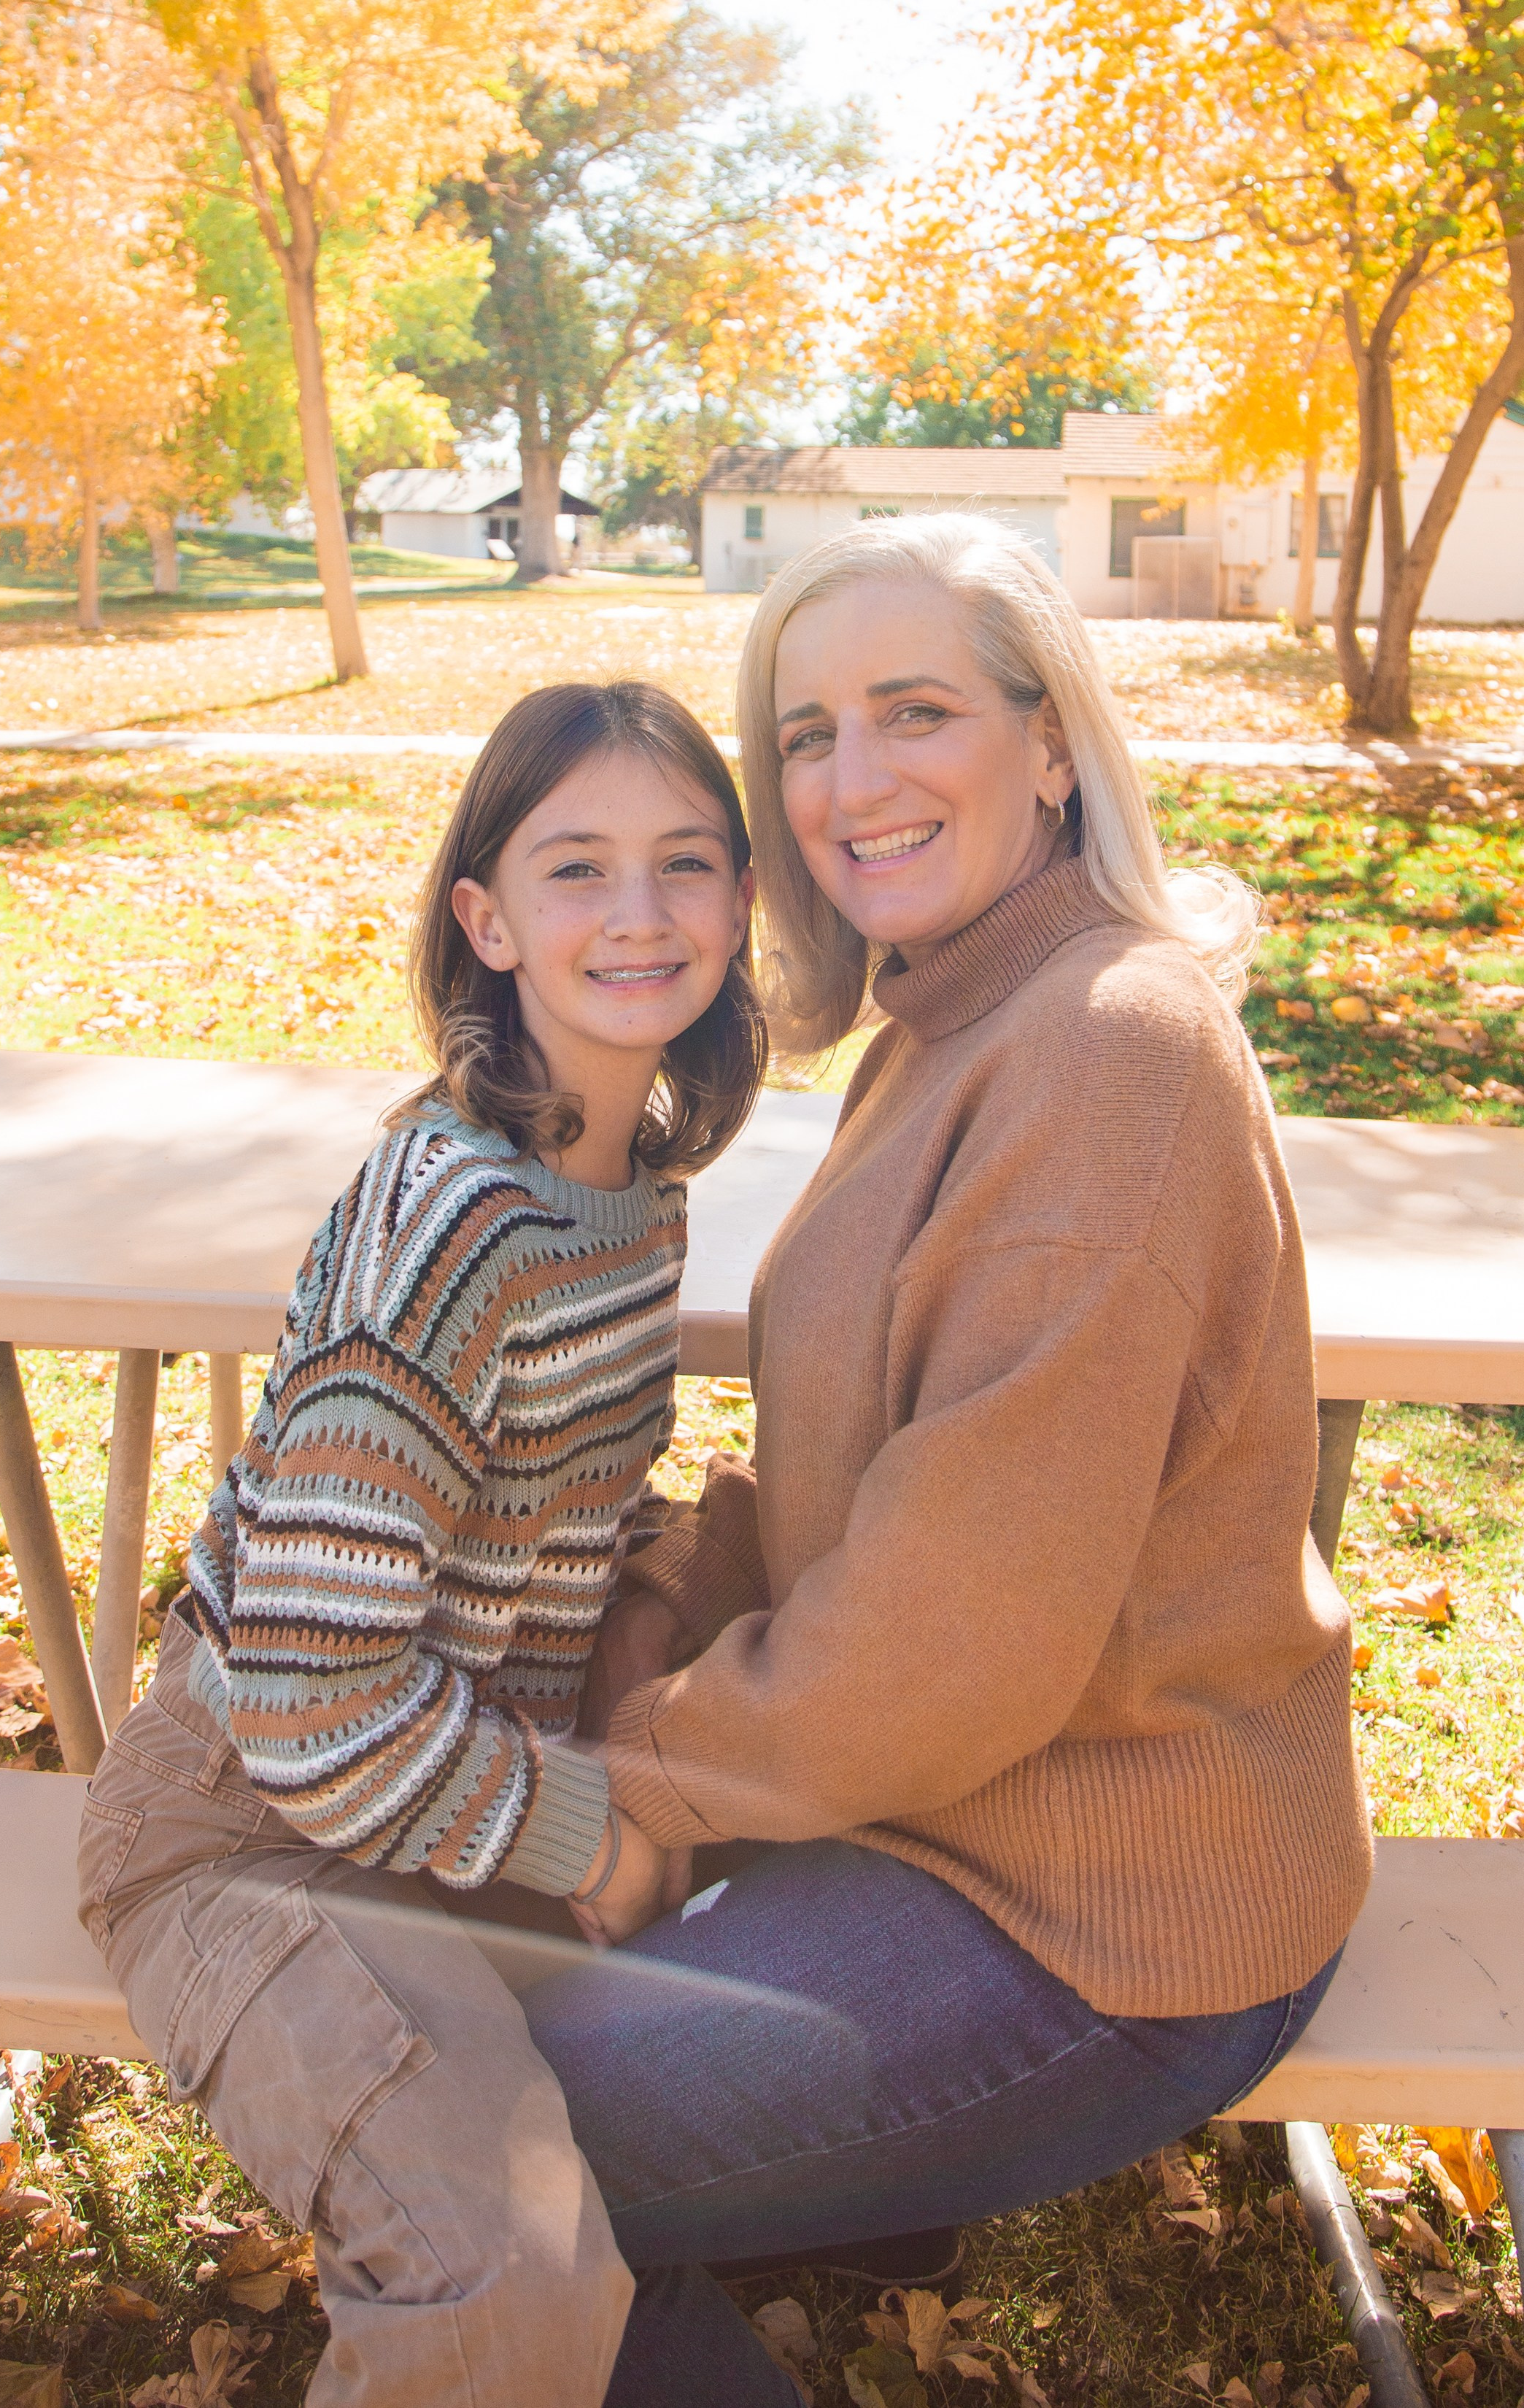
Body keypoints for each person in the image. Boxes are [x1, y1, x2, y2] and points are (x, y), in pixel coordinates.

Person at [521, 515, 1374, 2406]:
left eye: (914, 712)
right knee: (442, 1986)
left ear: (1050, 741)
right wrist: (631, 1635)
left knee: (473, 2144)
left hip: (1112, 1914)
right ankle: (852, 2201)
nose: (852, 781)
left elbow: (948, 1641)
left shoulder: (1106, 1054)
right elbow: (872, 1474)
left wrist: (633, 1781)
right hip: (944, 1806)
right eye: (805, 734)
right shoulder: (959, 1011)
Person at [76, 679, 766, 2408]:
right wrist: (591, 1837)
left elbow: (568, 1513)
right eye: (575, 867)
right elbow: (307, 1699)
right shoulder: (455, 1225)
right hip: (253, 1826)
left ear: (743, 901)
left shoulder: (628, 1192)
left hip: (435, 1803)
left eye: (685, 862)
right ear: (485, 920)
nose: (637, 912)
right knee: (497, 2279)